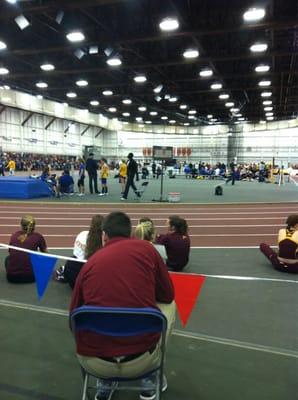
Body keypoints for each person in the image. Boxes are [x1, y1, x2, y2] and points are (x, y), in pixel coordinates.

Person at [70, 211, 175, 400]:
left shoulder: (90, 264)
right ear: (130, 233)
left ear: (104, 236)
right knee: (169, 306)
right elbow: (167, 295)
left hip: (95, 363)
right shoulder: (148, 250)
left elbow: (72, 317)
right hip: (142, 361)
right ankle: (150, 380)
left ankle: (105, 382)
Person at [58, 215, 104, 288]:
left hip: (73, 277)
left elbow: (76, 253)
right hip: (89, 283)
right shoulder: (103, 242)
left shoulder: (82, 234)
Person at [5, 215, 47, 283]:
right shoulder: (38, 236)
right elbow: (46, 254)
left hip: (12, 278)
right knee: (39, 260)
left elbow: (10, 252)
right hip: (31, 278)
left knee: (7, 259)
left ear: (21, 225)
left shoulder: (14, 235)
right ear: (34, 226)